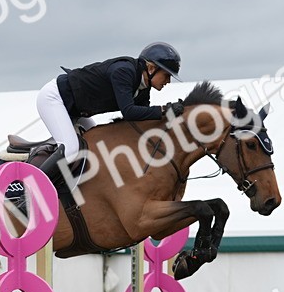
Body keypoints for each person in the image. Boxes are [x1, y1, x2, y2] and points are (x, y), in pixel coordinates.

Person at [32, 42, 182, 196]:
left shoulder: (143, 89)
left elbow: (140, 122)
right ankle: (31, 191)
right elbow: (129, 112)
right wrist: (164, 110)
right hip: (54, 99)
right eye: (167, 75)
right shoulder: (124, 71)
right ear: (151, 68)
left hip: (77, 111)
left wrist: (172, 117)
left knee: (96, 148)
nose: (168, 81)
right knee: (70, 150)